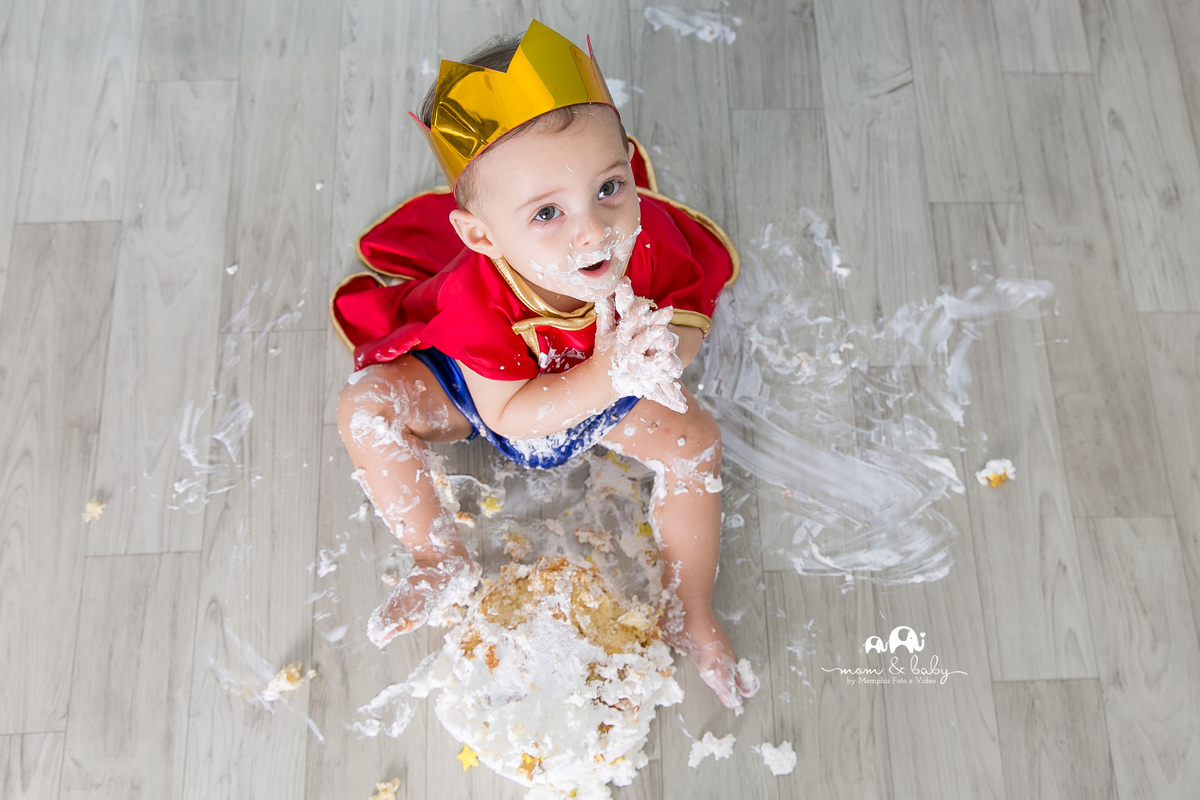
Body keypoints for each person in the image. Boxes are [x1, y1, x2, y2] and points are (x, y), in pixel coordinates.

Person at [331, 20, 756, 709]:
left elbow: (686, 310)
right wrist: (607, 376)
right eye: (548, 212)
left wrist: (659, 357)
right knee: (366, 407)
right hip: (478, 390)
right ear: (480, 235)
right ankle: (439, 554)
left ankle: (693, 609)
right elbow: (513, 415)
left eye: (610, 187)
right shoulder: (479, 297)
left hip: (608, 387)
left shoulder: (646, 242)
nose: (594, 229)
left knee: (694, 443)